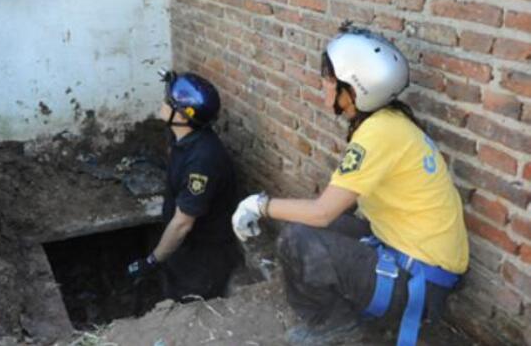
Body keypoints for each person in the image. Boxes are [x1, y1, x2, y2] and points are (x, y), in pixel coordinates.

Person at [232, 24, 469, 346]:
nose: (324, 90)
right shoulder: (392, 123)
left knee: (297, 237)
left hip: (419, 281)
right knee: (319, 229)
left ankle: (332, 324)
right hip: (419, 264)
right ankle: (352, 311)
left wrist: (259, 205)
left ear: (356, 90)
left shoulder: (378, 133)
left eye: (330, 81)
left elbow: (321, 213)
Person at [127, 70, 242, 302]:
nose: (163, 102)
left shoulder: (202, 161)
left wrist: (151, 261)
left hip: (203, 259)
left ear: (184, 115)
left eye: (169, 101)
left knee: (185, 305)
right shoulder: (184, 139)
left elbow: (181, 225)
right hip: (186, 247)